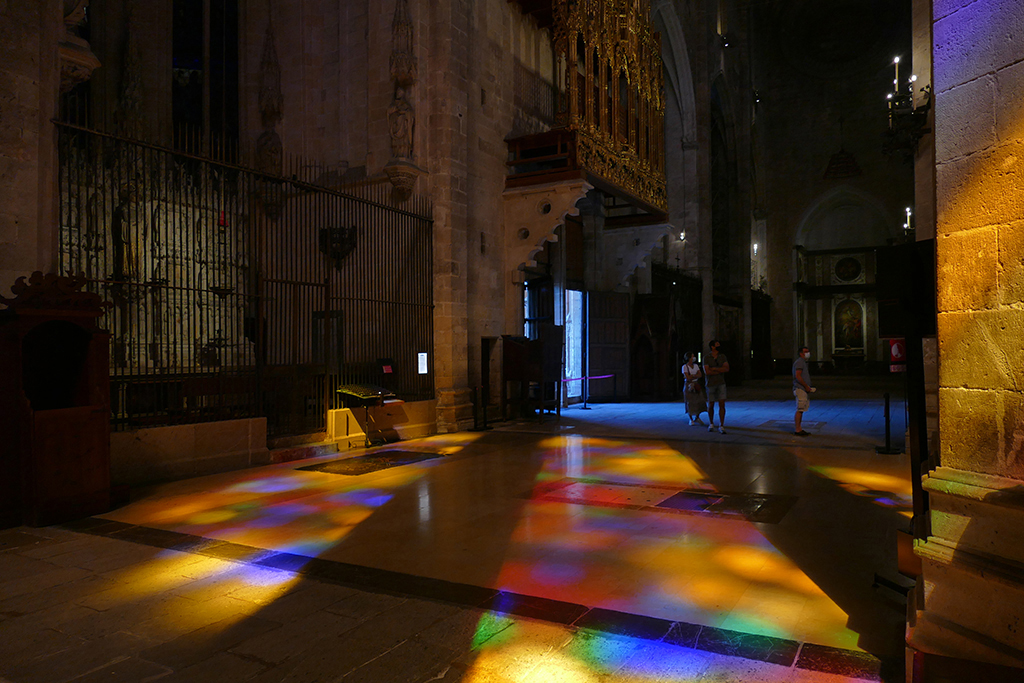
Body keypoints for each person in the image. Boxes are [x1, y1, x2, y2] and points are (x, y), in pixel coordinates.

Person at [703, 340, 729, 434]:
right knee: (711, 404)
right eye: (717, 344)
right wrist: (719, 370)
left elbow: (726, 368)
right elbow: (707, 371)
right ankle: (711, 423)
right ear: (712, 347)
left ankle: (721, 425)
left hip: (721, 383)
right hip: (710, 383)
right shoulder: (707, 358)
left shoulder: (722, 357)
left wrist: (714, 368)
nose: (719, 346)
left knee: (722, 404)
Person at [793, 346, 816, 436]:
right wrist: (806, 386)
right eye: (806, 352)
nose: (808, 353)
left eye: (808, 351)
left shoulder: (803, 362)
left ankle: (799, 428)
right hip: (800, 388)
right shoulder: (799, 362)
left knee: (802, 409)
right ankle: (797, 429)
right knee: (800, 409)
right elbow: (798, 376)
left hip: (803, 388)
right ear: (801, 353)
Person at [682, 352, 707, 426]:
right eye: (692, 356)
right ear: (689, 358)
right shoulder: (684, 367)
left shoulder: (695, 366)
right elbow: (687, 377)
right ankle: (691, 418)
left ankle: (697, 416)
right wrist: (694, 376)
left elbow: (700, 374)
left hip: (696, 384)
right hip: (688, 385)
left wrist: (692, 375)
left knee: (699, 400)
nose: (694, 358)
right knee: (690, 401)